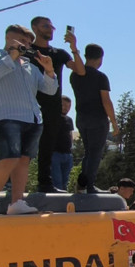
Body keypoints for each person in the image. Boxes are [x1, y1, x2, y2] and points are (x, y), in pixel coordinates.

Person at [0, 25, 58, 216]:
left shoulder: (30, 66)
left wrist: (49, 70)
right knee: (10, 157)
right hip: (7, 116)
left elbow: (50, 90)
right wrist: (11, 56)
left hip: (33, 118)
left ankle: (17, 202)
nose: (25, 45)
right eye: (21, 40)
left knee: (23, 161)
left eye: (28, 43)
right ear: (8, 38)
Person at [29, 16, 85, 193]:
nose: (50, 29)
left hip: (52, 106)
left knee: (47, 146)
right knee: (22, 146)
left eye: (52, 27)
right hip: (28, 104)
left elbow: (80, 70)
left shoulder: (59, 53)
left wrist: (74, 47)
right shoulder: (27, 51)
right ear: (35, 28)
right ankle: (11, 184)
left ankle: (45, 183)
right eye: (45, 26)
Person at [69, 43, 119, 193]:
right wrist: (114, 123)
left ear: (86, 56)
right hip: (97, 119)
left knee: (88, 153)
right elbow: (106, 101)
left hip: (81, 118)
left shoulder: (74, 76)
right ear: (100, 58)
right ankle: (89, 186)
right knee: (95, 154)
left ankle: (82, 185)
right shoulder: (100, 77)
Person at [50, 95, 74, 191]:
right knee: (57, 181)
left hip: (67, 154)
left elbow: (70, 134)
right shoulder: (52, 118)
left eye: (68, 106)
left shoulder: (69, 120)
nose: (66, 108)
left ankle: (64, 198)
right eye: (63, 105)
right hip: (55, 153)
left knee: (65, 181)